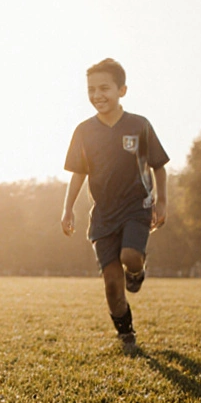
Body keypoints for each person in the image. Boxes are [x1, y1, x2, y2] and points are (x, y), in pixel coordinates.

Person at [61, 58, 169, 352]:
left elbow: (159, 166)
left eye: (104, 88)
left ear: (122, 89)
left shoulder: (139, 125)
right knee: (111, 283)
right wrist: (67, 208)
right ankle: (126, 333)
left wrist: (161, 202)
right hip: (103, 214)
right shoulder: (84, 131)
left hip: (137, 206)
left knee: (131, 255)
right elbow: (79, 173)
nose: (98, 95)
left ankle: (137, 272)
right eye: (91, 89)